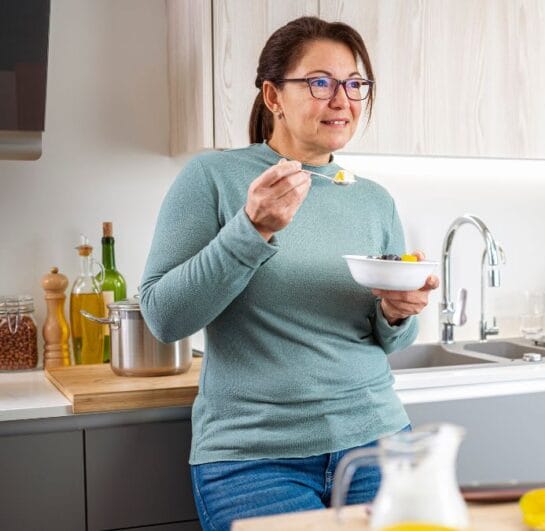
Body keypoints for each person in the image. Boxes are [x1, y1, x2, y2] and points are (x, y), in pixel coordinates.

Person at [140, 16, 437, 530]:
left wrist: (395, 311)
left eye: (355, 84)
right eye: (320, 82)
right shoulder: (215, 178)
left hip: (377, 441)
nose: (341, 99)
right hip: (254, 457)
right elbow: (164, 317)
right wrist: (250, 230)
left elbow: (390, 341)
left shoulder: (372, 199)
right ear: (273, 96)